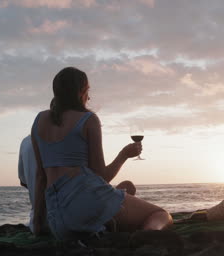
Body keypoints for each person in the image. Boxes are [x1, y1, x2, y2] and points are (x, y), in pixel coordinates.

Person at [31, 67, 172, 240]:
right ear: (80, 92)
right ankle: (145, 237)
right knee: (161, 215)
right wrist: (123, 155)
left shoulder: (39, 120)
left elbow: (40, 177)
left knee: (125, 188)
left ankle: (104, 225)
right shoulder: (88, 119)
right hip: (86, 206)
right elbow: (101, 176)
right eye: (87, 91)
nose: (88, 97)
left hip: (58, 219)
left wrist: (38, 221)